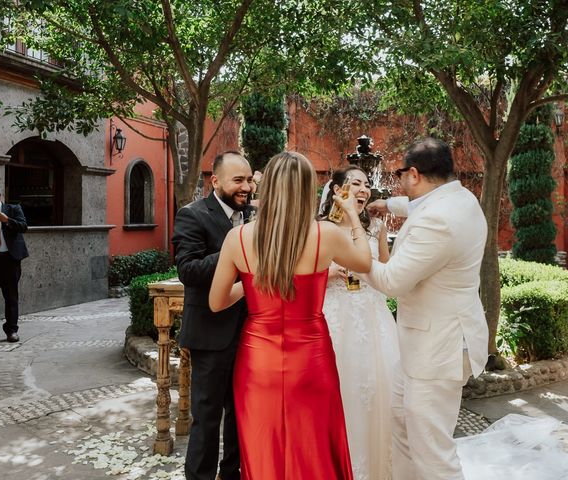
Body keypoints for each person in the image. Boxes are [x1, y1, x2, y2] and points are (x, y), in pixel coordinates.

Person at [209, 151, 372, 480]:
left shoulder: (237, 238)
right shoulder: (325, 235)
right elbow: (365, 264)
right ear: (307, 189)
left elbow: (216, 302)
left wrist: (256, 284)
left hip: (257, 361)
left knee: (263, 449)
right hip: (311, 359)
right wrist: (353, 217)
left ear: (266, 188)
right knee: (314, 448)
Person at [363, 138, 489, 480]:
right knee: (401, 423)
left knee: (433, 451)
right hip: (423, 344)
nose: (400, 181)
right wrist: (387, 205)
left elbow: (391, 282)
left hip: (438, 350)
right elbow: (420, 205)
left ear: (414, 173)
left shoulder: (439, 221)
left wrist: (359, 257)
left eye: (401, 175)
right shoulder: (461, 199)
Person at [172, 151, 255, 480]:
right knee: (206, 418)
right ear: (215, 181)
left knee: (240, 415)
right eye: (238, 180)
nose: (246, 187)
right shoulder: (191, 215)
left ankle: (231, 474)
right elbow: (188, 270)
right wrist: (237, 249)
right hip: (210, 334)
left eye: (249, 180)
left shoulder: (251, 215)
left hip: (251, 332)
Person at [319, 166, 399, 480]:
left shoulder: (376, 226)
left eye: (366, 184)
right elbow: (304, 273)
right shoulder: (321, 228)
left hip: (373, 315)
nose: (363, 190)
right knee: (342, 388)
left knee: (380, 388)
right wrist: (329, 275)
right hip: (336, 315)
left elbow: (385, 269)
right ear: (338, 190)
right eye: (355, 183)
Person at [0, 184, 28, 343]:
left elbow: (23, 227)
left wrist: (7, 220)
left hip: (9, 260)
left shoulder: (13, 209)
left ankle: (11, 330)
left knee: (11, 297)